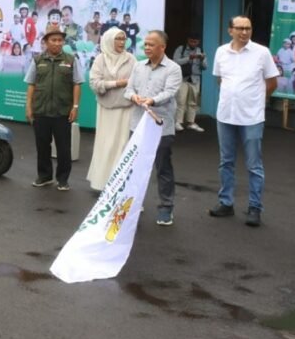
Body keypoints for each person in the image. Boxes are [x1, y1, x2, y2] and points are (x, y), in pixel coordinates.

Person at [210, 15, 279, 228]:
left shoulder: (262, 52)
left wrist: (256, 100)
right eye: (239, 28)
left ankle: (255, 208)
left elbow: (272, 82)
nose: (244, 32)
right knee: (226, 162)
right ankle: (226, 203)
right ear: (230, 30)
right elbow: (220, 79)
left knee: (254, 165)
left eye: (248, 28)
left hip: (251, 117)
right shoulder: (221, 51)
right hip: (225, 116)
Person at [123, 30, 182, 225]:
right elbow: (128, 89)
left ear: (162, 47)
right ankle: (134, 202)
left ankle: (166, 208)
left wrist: (152, 100)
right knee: (136, 166)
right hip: (138, 125)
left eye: (151, 44)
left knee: (162, 167)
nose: (146, 47)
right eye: (145, 44)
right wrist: (134, 97)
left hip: (161, 126)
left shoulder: (173, 68)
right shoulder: (139, 66)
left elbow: (170, 92)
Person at [25, 26, 83, 190]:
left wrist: (75, 106)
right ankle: (44, 176)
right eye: (54, 40)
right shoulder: (37, 60)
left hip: (62, 112)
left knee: (64, 148)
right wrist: (29, 106)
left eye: (60, 40)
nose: (58, 43)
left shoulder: (71, 60)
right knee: (42, 146)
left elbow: (77, 84)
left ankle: (63, 179)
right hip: (41, 110)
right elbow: (31, 84)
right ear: (45, 42)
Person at [87, 28, 136, 191]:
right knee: (105, 145)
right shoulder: (100, 59)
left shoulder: (131, 59)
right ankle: (102, 183)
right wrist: (116, 84)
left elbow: (136, 82)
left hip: (125, 110)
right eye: (118, 39)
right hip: (106, 110)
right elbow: (94, 83)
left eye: (124, 39)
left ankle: (120, 185)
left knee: (122, 146)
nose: (122, 42)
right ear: (109, 40)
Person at [173, 34, 207, 132]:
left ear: (198, 42)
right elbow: (175, 62)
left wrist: (202, 60)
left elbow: (205, 67)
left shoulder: (200, 50)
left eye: (195, 41)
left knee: (193, 102)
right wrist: (189, 58)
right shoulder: (181, 49)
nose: (193, 43)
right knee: (181, 100)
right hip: (183, 78)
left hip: (195, 79)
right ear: (188, 40)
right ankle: (178, 122)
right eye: (191, 41)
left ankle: (191, 122)